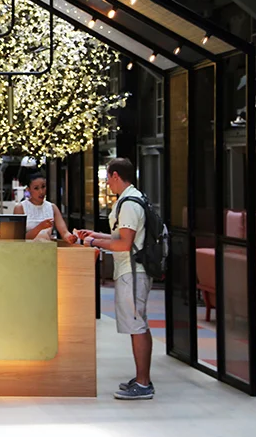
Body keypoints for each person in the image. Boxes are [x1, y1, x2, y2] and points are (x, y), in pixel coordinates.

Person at [69, 157, 153, 400]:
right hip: (131, 271)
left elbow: (124, 244)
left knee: (137, 325)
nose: (107, 183)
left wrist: (93, 241)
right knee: (137, 325)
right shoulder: (134, 198)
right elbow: (120, 237)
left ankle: (143, 383)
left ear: (116, 176)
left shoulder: (129, 203)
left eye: (108, 178)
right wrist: (95, 235)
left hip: (132, 272)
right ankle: (141, 379)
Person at [13, 172, 73, 242]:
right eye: (36, 188)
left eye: (43, 187)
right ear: (28, 189)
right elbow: (19, 238)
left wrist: (71, 237)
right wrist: (40, 227)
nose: (41, 192)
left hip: (46, 248)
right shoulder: (20, 208)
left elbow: (64, 232)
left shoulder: (52, 207)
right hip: (26, 250)